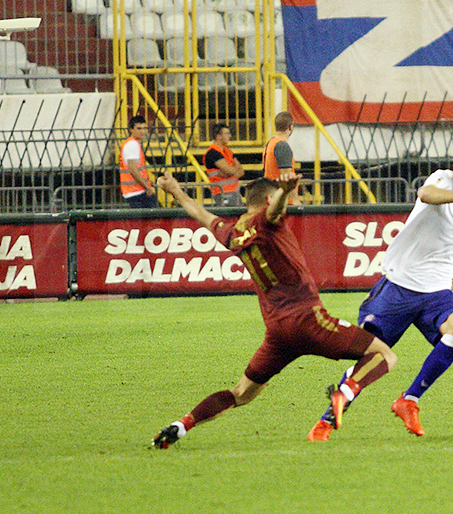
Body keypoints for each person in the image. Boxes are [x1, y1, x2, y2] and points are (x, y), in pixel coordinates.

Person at [152, 171, 397, 448]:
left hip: (277, 334)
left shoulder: (233, 232)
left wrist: (175, 190)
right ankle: (345, 393)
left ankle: (182, 425)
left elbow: (202, 215)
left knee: (241, 393)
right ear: (269, 198)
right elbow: (275, 210)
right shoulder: (268, 220)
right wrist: (285, 190)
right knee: (384, 355)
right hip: (310, 321)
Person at [307, 135, 453, 441]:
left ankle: (409, 400)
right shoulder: (444, 180)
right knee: (373, 358)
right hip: (399, 285)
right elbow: (427, 194)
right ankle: (326, 422)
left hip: (435, 290)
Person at [119, 115, 158, 208]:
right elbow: (133, 170)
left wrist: (147, 182)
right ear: (131, 129)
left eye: (144, 128)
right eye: (139, 128)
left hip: (134, 191)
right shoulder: (132, 144)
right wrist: (147, 187)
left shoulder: (132, 143)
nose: (142, 131)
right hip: (137, 192)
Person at [263, 111, 301, 204]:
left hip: (272, 197)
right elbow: (287, 177)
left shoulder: (270, 143)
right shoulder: (282, 146)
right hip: (283, 200)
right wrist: (296, 200)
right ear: (290, 127)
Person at [204, 122, 245, 206]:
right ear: (218, 136)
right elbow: (231, 171)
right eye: (227, 133)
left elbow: (241, 172)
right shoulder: (212, 153)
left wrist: (227, 172)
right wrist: (233, 170)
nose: (229, 136)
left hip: (234, 191)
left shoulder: (227, 151)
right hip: (222, 192)